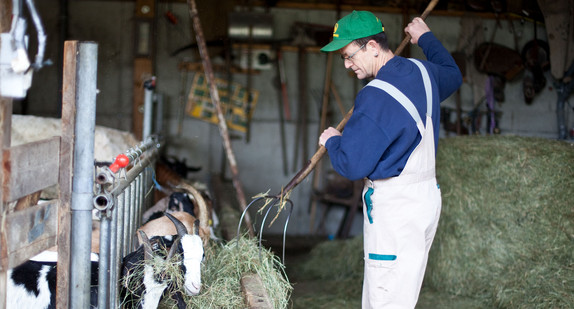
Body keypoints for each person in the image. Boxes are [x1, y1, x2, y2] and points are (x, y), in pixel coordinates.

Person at [318, 11, 462, 309]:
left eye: (348, 55)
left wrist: (332, 140)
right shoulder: (424, 73)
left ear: (372, 47)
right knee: (402, 296)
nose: (346, 64)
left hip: (396, 210)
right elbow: (453, 72)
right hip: (425, 200)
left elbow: (352, 165)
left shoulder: (374, 96)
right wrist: (426, 37)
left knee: (384, 298)